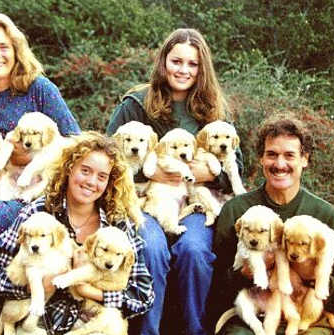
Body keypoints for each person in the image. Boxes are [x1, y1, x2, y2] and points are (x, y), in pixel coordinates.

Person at [106, 28, 242, 335]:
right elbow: (106, 155)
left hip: (195, 200)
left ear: (202, 68)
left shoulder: (214, 108)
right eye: (176, 61)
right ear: (163, 61)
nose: (183, 70)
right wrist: (149, 173)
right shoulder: (136, 103)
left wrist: (211, 173)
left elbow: (238, 164)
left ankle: (194, 330)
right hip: (146, 201)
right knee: (151, 248)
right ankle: (148, 331)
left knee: (194, 251)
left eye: (192, 64)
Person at [0, 131, 154, 333]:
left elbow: (143, 295)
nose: (92, 182)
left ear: (110, 182)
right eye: (85, 170)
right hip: (42, 323)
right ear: (69, 169)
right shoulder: (38, 213)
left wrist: (90, 292)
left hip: (93, 325)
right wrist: (33, 286)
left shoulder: (116, 224)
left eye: (102, 176)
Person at [0, 12, 80, 269]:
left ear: (16, 51)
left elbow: (75, 141)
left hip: (36, 190)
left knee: (4, 214)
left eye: (3, 47)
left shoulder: (39, 89)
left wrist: (26, 155)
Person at [208, 117, 334, 335]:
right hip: (250, 320)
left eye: (289, 155)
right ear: (261, 159)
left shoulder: (326, 216)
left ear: (305, 159)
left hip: (307, 320)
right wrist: (245, 273)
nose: (280, 164)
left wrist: (307, 272)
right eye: (272, 154)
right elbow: (215, 289)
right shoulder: (237, 211)